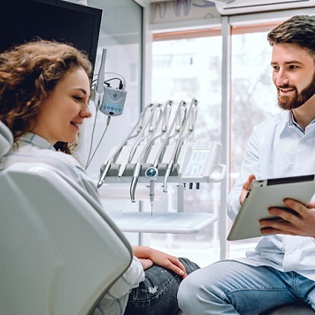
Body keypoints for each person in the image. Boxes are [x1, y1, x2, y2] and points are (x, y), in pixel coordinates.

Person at [0, 39, 199, 315]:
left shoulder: (8, 163)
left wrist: (136, 250)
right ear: (39, 95)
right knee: (189, 271)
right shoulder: (59, 169)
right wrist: (137, 262)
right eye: (77, 98)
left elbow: (55, 247)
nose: (88, 111)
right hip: (105, 305)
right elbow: (123, 277)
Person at [177, 14, 315, 314]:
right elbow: (233, 203)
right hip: (271, 267)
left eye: (292, 67)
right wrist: (243, 200)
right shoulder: (264, 135)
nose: (280, 79)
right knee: (194, 289)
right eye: (275, 67)